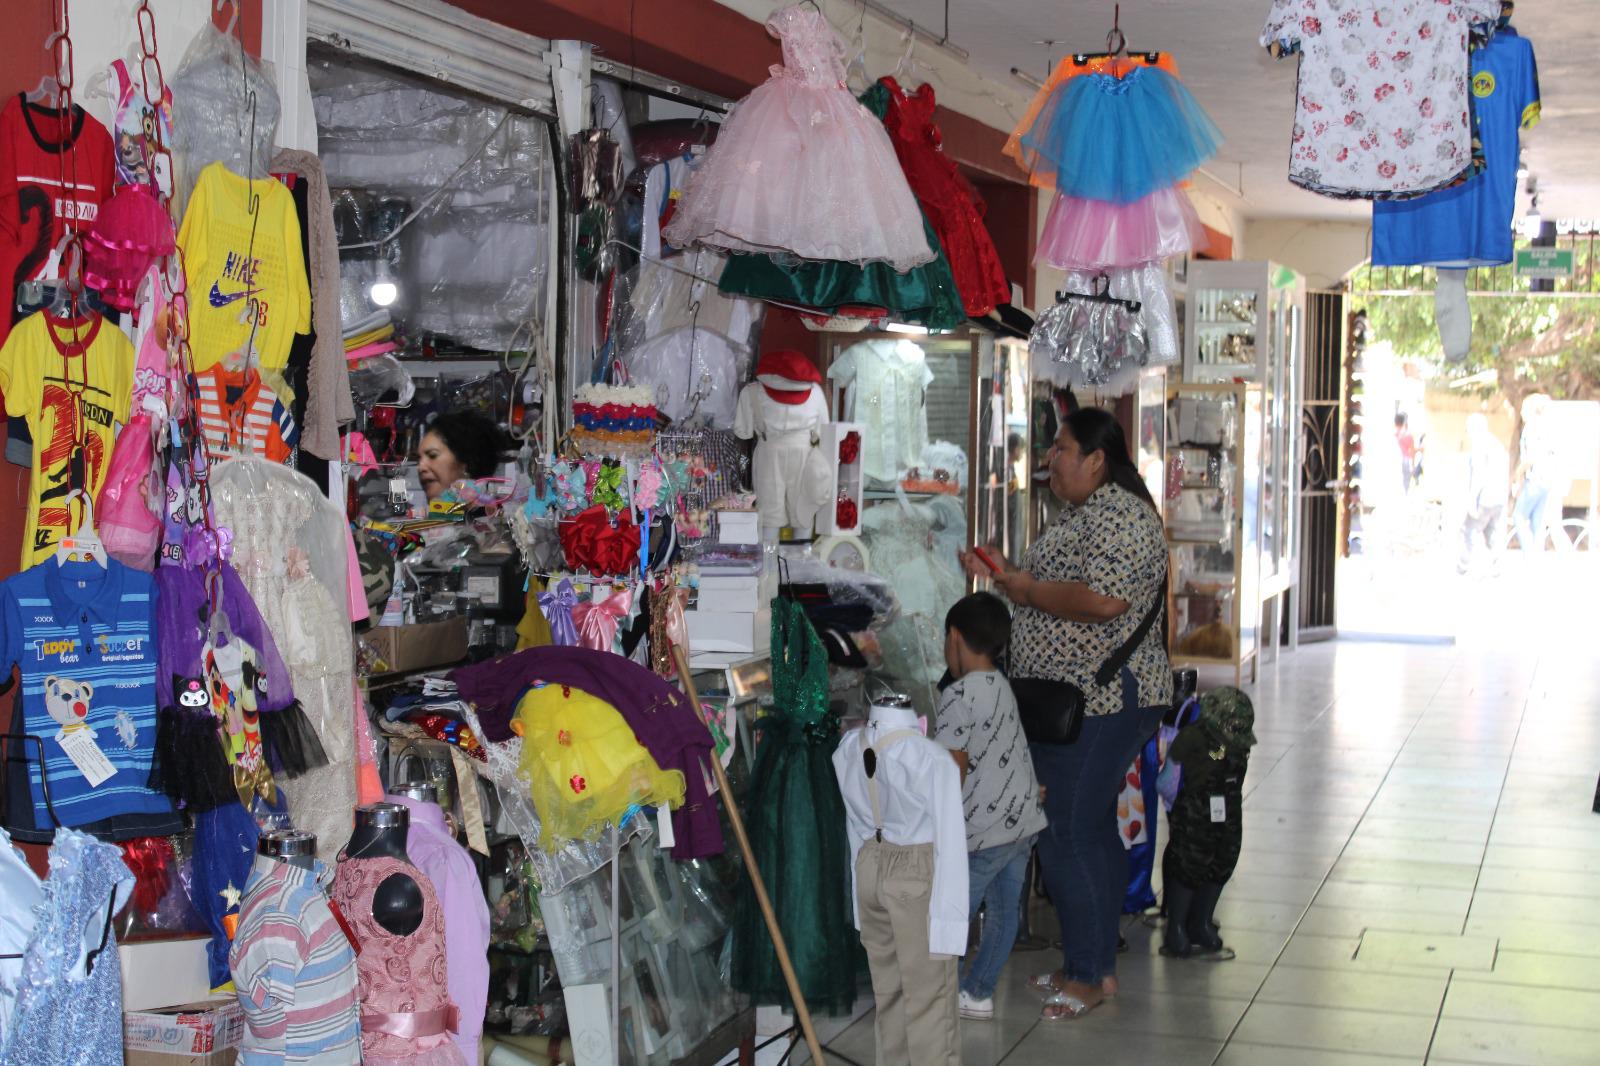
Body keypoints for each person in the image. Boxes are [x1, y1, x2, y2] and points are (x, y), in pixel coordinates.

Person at [958, 407, 1170, 1022]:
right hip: (1075, 705)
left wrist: (1024, 591)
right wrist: (1006, 577)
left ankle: (1083, 974)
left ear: (1096, 459)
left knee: (1063, 831)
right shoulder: (1086, 513)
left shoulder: (1123, 515)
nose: (1050, 458)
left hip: (1104, 700)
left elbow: (1104, 602)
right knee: (1090, 828)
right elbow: (1052, 588)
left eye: (1061, 448)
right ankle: (1095, 966)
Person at [933, 592, 1047, 1021]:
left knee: (952, 911)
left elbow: (951, 770)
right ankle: (977, 993)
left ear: (955, 637)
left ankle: (939, 992)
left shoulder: (957, 696)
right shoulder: (1001, 684)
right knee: (1002, 915)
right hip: (1021, 825)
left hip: (981, 832)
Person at [1159, 686, 1256, 961]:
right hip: (1195, 813)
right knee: (1188, 865)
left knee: (1223, 862)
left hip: (1228, 810)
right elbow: (1166, 781)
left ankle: (1201, 923)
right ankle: (1177, 928)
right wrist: (1178, 806)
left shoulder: (1239, 740)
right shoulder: (1191, 739)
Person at [416, 410, 515, 501]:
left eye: (433, 455)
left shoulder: (492, 514)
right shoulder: (440, 514)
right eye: (419, 459)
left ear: (466, 463)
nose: (420, 467)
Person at [1512, 394, 1566, 553]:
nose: (1521, 412)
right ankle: (1536, 556)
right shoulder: (1547, 427)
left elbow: (1531, 458)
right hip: (1547, 481)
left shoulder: (1531, 428)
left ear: (1532, 410)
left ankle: (1530, 555)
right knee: (1537, 521)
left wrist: (1518, 474)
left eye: (1523, 409)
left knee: (1519, 517)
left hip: (1535, 479)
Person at [1458, 413, 1509, 575]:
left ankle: (1463, 565)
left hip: (1485, 497)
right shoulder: (1497, 444)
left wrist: (1471, 499)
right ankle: (1498, 564)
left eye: (1468, 429)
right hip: (1499, 497)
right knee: (1491, 531)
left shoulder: (1480, 445)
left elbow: (1479, 474)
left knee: (1468, 529)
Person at [1395, 411, 1418, 495]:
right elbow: (1412, 451)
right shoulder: (1408, 436)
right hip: (1406, 461)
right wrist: (1413, 465)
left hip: (1399, 462)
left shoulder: (1395, 434)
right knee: (1405, 487)